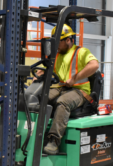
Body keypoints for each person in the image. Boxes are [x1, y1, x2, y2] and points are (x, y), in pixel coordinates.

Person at [42, 24, 99, 155]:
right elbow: (51, 72)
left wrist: (74, 78)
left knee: (63, 102)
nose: (55, 45)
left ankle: (54, 141)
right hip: (61, 88)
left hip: (79, 91)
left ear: (68, 40)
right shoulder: (57, 55)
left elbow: (94, 65)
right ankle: (36, 135)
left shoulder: (81, 52)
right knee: (40, 98)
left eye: (58, 42)